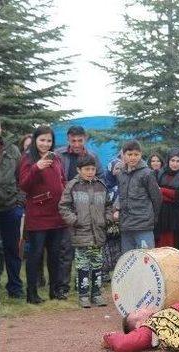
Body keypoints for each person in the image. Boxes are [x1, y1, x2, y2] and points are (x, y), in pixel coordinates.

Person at [18, 125, 67, 303]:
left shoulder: (56, 158)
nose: (45, 144)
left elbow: (62, 179)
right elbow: (23, 184)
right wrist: (36, 168)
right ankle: (32, 294)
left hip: (57, 214)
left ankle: (54, 291)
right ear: (35, 140)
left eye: (49, 140)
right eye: (42, 140)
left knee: (55, 254)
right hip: (38, 215)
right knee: (36, 255)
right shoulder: (27, 158)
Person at [58, 155, 113, 307]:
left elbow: (108, 205)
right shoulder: (73, 186)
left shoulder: (101, 186)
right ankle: (83, 295)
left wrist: (107, 218)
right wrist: (74, 220)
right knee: (82, 265)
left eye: (93, 169)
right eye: (87, 169)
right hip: (81, 233)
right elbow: (63, 206)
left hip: (98, 234)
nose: (90, 172)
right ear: (79, 170)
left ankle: (96, 294)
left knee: (97, 265)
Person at [56, 125, 105, 296]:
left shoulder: (93, 156)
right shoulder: (59, 155)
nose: (76, 144)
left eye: (80, 140)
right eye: (73, 140)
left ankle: (83, 286)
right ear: (68, 139)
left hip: (88, 210)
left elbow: (101, 179)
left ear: (86, 139)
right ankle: (63, 287)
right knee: (66, 250)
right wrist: (71, 216)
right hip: (68, 207)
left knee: (87, 251)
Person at [116, 140, 162, 253]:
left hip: (143, 225)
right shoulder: (121, 174)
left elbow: (157, 198)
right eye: (129, 154)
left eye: (136, 154)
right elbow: (121, 196)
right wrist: (116, 209)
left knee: (147, 258)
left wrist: (151, 217)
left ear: (141, 154)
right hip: (126, 225)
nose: (133, 158)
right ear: (124, 155)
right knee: (128, 260)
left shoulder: (147, 173)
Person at [0, 120, 25, 299]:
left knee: (12, 250)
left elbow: (21, 178)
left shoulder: (13, 150)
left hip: (10, 208)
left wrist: (19, 204)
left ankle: (15, 288)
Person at [155, 149, 179, 252]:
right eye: (172, 160)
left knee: (173, 247)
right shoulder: (160, 174)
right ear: (168, 161)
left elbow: (178, 196)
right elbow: (155, 193)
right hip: (160, 216)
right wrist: (170, 194)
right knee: (160, 247)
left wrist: (162, 190)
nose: (175, 164)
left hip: (176, 218)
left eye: (178, 161)